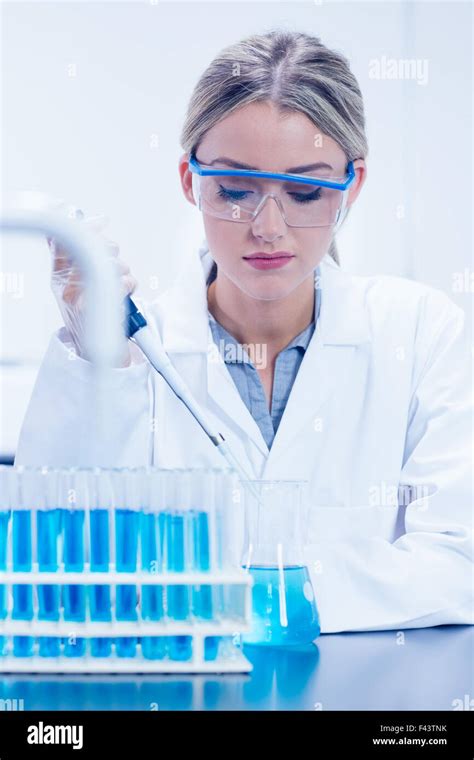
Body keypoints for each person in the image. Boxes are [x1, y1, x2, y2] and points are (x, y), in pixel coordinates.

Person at [15, 30, 473, 633]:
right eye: (235, 189)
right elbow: (54, 564)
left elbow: (458, 563)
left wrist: (268, 599)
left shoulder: (419, 334)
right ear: (189, 179)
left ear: (352, 188)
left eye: (306, 191)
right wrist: (93, 354)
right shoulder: (134, 349)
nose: (267, 227)